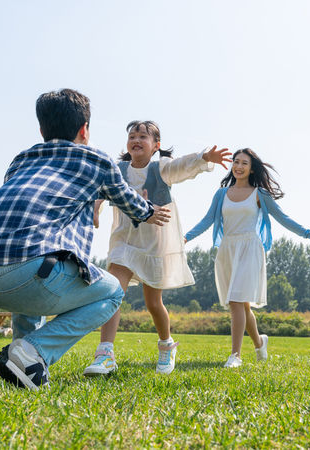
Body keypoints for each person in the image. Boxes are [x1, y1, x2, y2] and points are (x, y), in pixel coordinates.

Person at [0, 89, 171, 390]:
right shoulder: (96, 160)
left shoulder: (21, 160)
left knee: (34, 253)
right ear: (84, 130)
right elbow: (128, 201)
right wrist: (149, 211)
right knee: (112, 293)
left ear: (42, 130)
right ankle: (34, 351)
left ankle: (23, 363)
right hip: (21, 272)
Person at [82, 120, 232, 376]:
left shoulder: (161, 169)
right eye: (132, 136)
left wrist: (204, 157)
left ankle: (166, 345)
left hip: (155, 245)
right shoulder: (116, 170)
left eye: (143, 136)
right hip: (124, 242)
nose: (136, 140)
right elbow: (100, 192)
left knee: (153, 303)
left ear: (156, 146)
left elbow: (181, 166)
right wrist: (96, 209)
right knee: (113, 292)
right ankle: (105, 353)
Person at [184, 148, 310, 368]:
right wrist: (185, 238)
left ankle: (235, 356)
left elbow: (283, 217)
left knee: (236, 300)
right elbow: (207, 220)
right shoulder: (221, 194)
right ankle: (259, 342)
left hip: (250, 248)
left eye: (244, 163)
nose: (239, 166)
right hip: (227, 248)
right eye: (236, 162)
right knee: (242, 305)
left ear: (252, 168)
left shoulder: (259, 194)